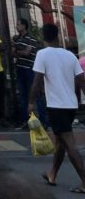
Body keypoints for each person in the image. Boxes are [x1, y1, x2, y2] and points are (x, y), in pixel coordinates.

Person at [29, 22, 85, 191]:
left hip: (56, 105)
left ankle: (84, 181)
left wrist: (31, 102)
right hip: (70, 105)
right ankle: (52, 173)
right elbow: (81, 79)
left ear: (43, 37)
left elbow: (37, 80)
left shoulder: (42, 54)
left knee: (69, 143)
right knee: (60, 142)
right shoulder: (69, 55)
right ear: (57, 36)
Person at [13, 17, 46, 128]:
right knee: (23, 95)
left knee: (35, 94)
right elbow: (13, 53)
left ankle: (43, 120)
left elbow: (27, 53)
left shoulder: (31, 39)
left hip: (29, 69)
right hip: (20, 68)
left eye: (18, 24)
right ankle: (26, 120)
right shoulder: (17, 39)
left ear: (24, 26)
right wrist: (19, 51)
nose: (17, 27)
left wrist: (18, 51)